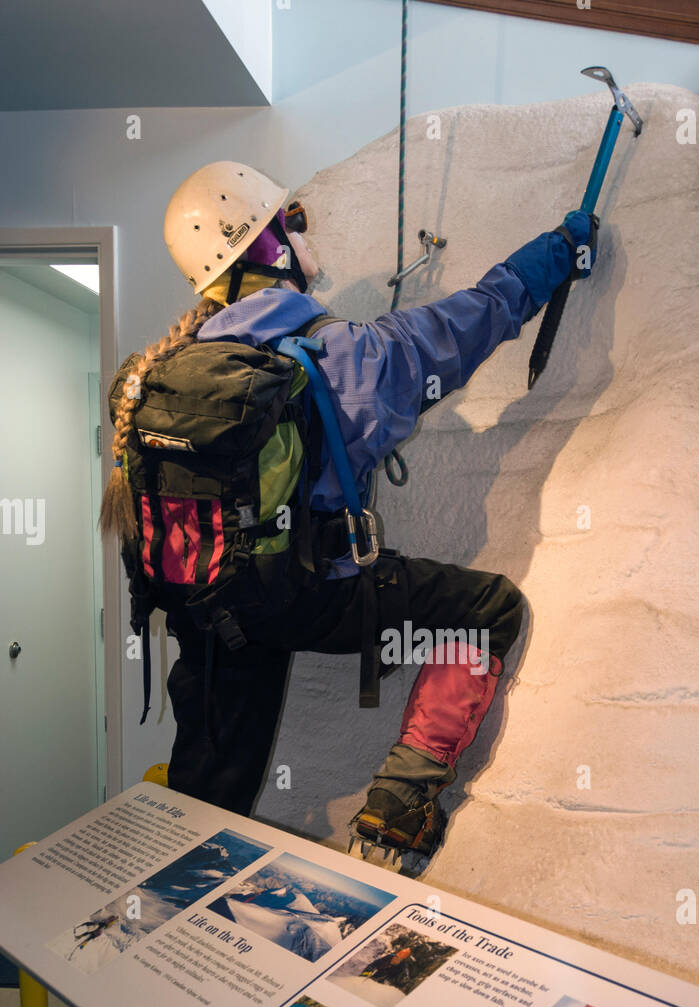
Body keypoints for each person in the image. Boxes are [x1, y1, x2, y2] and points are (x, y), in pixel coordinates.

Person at [100, 161, 597, 866]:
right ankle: (399, 806)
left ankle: (178, 891)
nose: (306, 234)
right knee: (487, 608)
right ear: (269, 246)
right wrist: (558, 251)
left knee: (210, 795)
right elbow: (473, 319)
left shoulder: (159, 374)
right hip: (311, 598)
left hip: (205, 609)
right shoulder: (344, 356)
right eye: (293, 221)